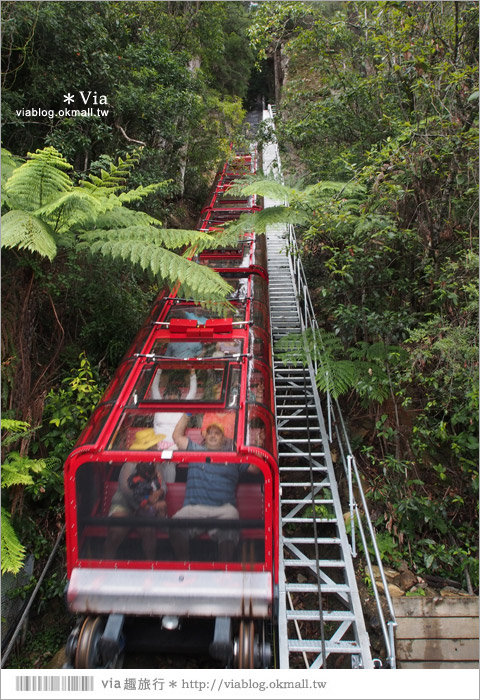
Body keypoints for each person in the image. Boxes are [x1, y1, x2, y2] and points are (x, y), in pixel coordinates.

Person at [170, 412, 259, 561]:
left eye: (217, 433)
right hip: (194, 509)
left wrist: (249, 446)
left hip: (223, 510)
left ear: (223, 437)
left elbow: (256, 468)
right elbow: (177, 437)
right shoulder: (195, 450)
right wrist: (187, 413)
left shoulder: (234, 456)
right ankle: (184, 568)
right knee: (175, 525)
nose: (212, 436)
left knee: (231, 521)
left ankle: (225, 571)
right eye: (209, 433)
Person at [104, 461, 167, 560]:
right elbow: (126, 489)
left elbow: (162, 485)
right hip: (124, 505)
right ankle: (105, 565)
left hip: (146, 508)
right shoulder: (129, 464)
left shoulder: (155, 464)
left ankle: (150, 568)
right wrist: (142, 505)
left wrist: (159, 492)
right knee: (116, 530)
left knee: (148, 530)